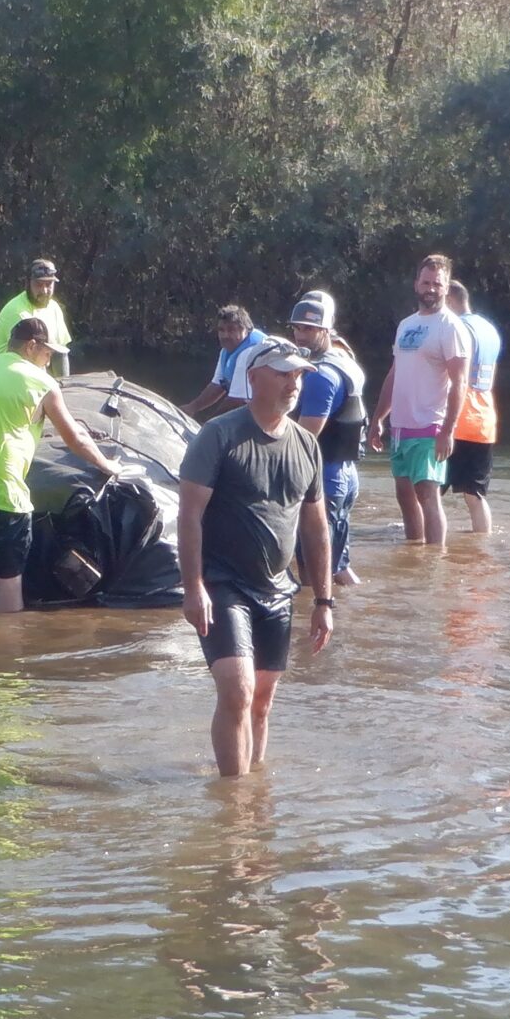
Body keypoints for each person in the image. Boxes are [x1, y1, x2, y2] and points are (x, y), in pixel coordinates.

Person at [178, 340, 333, 777]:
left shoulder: (306, 444)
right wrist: (193, 588)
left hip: (277, 588)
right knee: (238, 689)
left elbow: (316, 528)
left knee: (262, 701)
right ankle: (234, 800)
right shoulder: (219, 435)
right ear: (253, 378)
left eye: (298, 375)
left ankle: (255, 799)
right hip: (223, 583)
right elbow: (189, 514)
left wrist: (324, 602)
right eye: (283, 374)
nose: (293, 383)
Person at [0, 314, 123, 613]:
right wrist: (107, 465)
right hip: (1, 492)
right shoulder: (42, 383)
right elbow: (75, 438)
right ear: (31, 346)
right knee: (8, 582)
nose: (49, 359)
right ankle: (9, 657)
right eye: (48, 352)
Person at [369, 253, 471, 549]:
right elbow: (395, 373)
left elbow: (460, 381)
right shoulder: (405, 325)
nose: (430, 288)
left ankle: (434, 559)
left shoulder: (450, 327)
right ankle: (415, 552)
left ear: (446, 286)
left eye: (436, 284)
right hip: (401, 427)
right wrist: (378, 418)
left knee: (428, 494)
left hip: (431, 425)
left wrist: (448, 430)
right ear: (416, 284)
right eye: (425, 282)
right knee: (404, 495)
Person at [285, 291, 369, 588]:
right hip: (346, 476)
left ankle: (319, 624)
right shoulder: (345, 361)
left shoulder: (321, 376)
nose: (300, 335)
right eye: (296, 328)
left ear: (325, 330)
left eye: (309, 329)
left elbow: (305, 437)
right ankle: (353, 612)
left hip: (325, 479)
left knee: (313, 574)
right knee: (338, 566)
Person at [443, 279, 504, 537]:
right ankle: (481, 544)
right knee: (475, 494)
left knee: (429, 491)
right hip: (484, 420)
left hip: (457, 419)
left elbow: (452, 377)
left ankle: (426, 545)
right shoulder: (489, 328)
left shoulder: (458, 328)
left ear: (448, 301)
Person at [0, 258, 72, 377]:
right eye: (38, 284)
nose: (44, 290)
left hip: (16, 376)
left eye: (49, 284)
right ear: (27, 283)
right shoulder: (17, 311)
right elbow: (29, 359)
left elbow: (60, 353)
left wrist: (65, 387)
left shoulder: (54, 308)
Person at [182, 304, 273, 418]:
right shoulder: (228, 349)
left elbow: (238, 400)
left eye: (231, 330)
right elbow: (218, 385)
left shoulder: (248, 352)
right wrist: (192, 407)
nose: (225, 335)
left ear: (246, 330)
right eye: (221, 330)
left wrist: (209, 425)